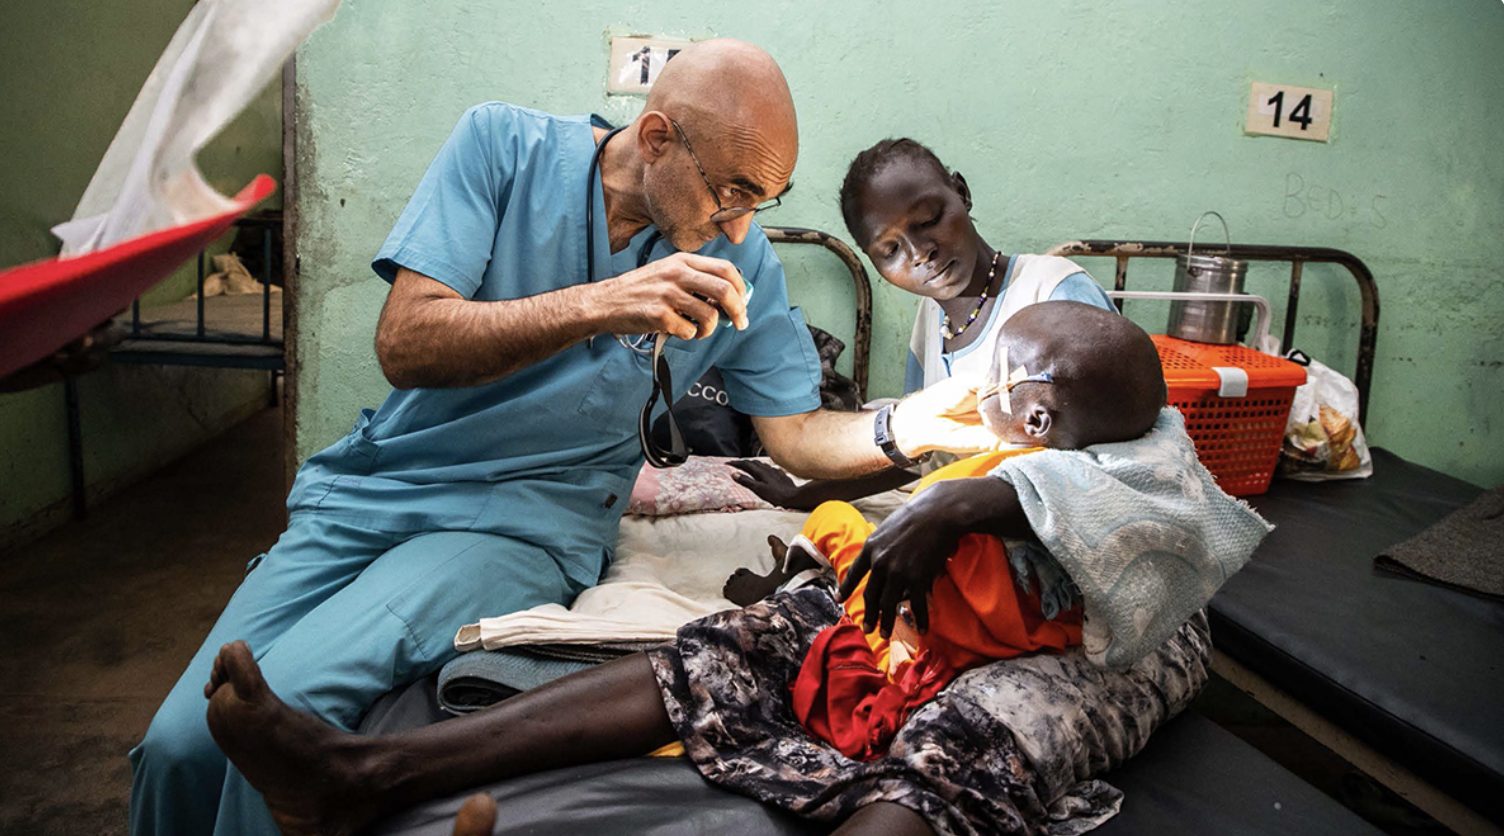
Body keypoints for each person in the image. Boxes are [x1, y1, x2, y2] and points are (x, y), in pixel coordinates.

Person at [130, 42, 995, 836]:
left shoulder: (745, 263)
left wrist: (912, 424)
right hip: (375, 489)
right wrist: (605, 302)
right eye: (731, 191)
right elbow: (406, 343)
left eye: (762, 201)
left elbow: (798, 436)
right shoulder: (500, 148)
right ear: (656, 137)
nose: (740, 226)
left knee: (280, 716)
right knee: (178, 742)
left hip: (520, 523)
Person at [195, 301, 1166, 835]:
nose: (968, 389)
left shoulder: (1160, 470)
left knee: (960, 745)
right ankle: (367, 770)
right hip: (960, 609)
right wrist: (851, 491)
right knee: (736, 643)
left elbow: (1119, 512)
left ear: (1037, 417)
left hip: (1096, 646)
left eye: (990, 380)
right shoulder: (1004, 440)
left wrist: (958, 502)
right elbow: (834, 469)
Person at [730, 137, 1117, 511]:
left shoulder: (1053, 292)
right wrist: (807, 495)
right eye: (891, 250)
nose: (920, 254)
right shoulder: (932, 321)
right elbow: (919, 449)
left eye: (929, 220)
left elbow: (1106, 467)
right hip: (960, 521)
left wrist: (948, 516)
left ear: (961, 193)